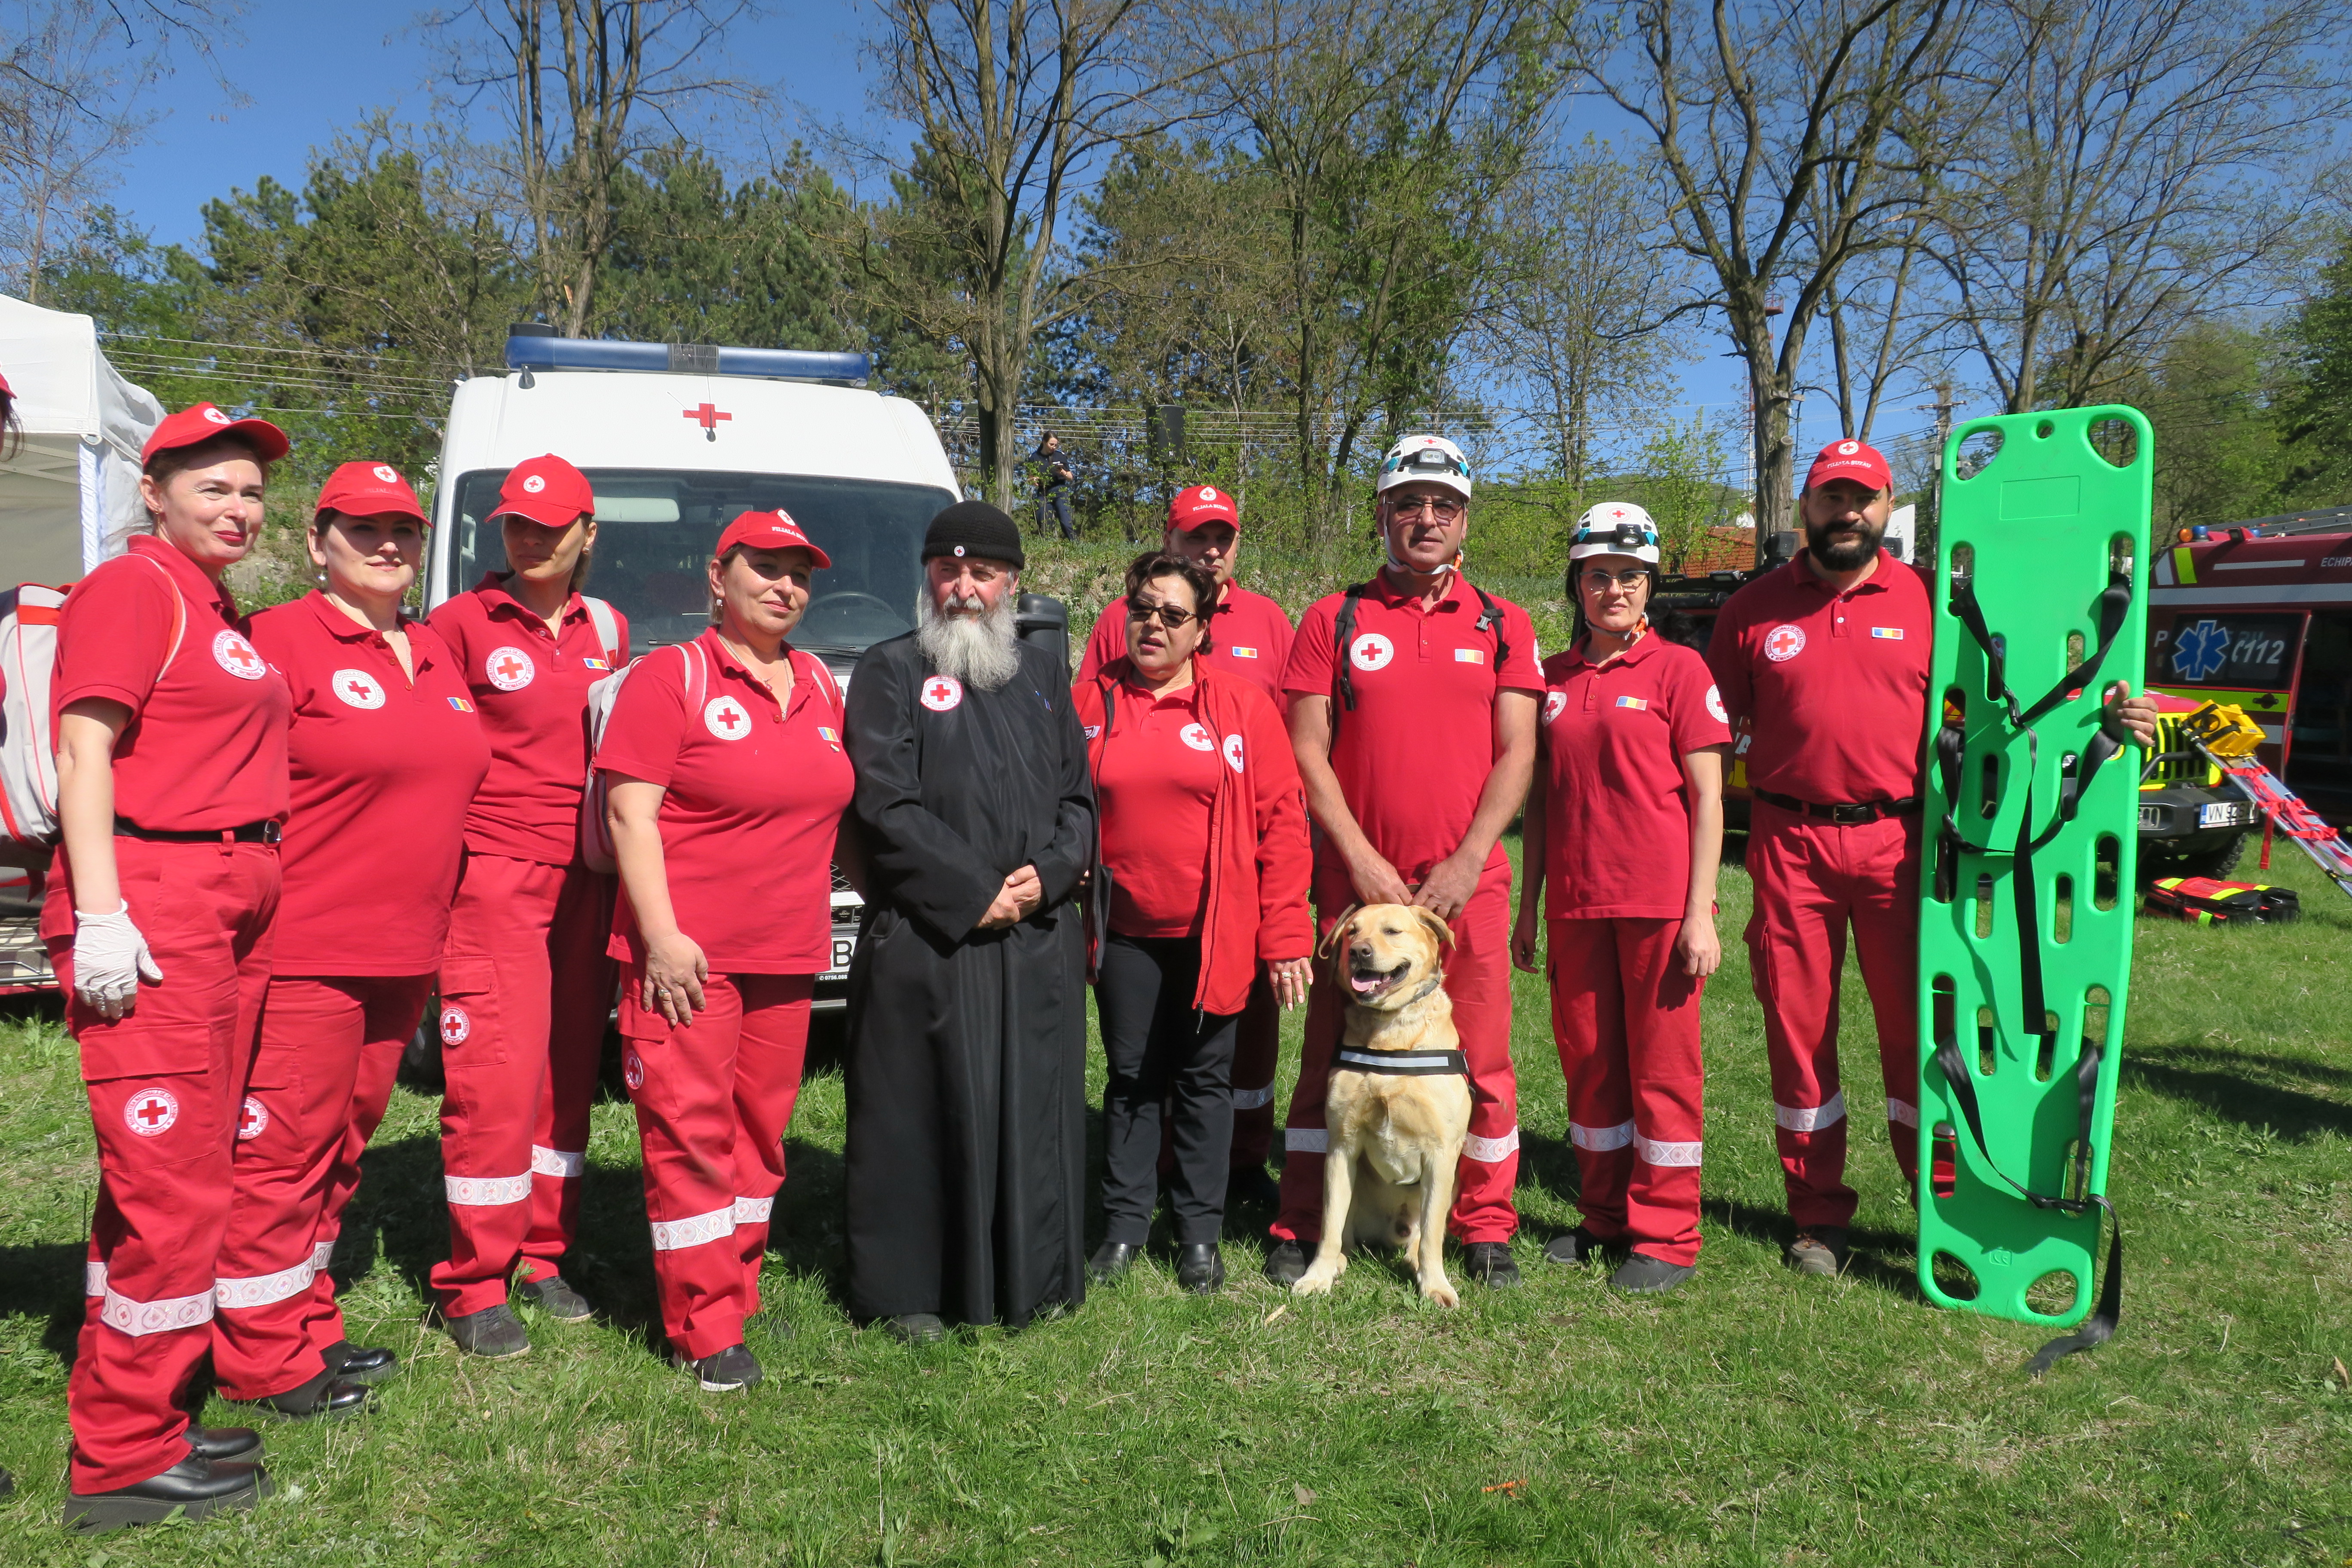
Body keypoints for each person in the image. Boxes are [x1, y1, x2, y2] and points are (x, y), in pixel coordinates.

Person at [1708, 438, 2158, 1276]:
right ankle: (1817, 1216)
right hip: (1787, 839)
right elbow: (1704, 737)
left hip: (1903, 846)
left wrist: (2109, 720)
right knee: (1797, 1036)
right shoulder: (1752, 613)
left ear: (1888, 509)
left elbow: (2016, 717)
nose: (1847, 513)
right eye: (1830, 498)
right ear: (1805, 508)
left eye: (1863, 499)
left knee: (1918, 1035)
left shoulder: (1935, 607)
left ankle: (1941, 1208)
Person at [44, 403, 292, 1531]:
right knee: (171, 1182)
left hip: (220, 898)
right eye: (214, 489)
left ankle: (144, 1405)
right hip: (154, 904)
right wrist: (101, 913)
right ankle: (121, 1459)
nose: (238, 509)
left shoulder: (209, 602)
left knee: (179, 1169)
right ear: (154, 491)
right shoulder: (134, 590)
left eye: (249, 492)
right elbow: (82, 747)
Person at [214, 462, 490, 1416]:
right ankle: (259, 1360)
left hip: (408, 950)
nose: (387, 546)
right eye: (363, 529)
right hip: (306, 950)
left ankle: (306, 1320)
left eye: (404, 532)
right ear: (317, 539)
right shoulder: (274, 640)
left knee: (340, 1153)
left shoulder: (433, 650)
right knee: (282, 1154)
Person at [1265, 434, 1543, 1289]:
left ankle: (1484, 1225)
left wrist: (1468, 860)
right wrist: (1358, 858)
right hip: (1359, 886)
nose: (1427, 519)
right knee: (1328, 1059)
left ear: (1466, 520)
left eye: (1444, 506)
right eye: (1409, 504)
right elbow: (1307, 751)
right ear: (1382, 513)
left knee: (1483, 1059)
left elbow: (1518, 754)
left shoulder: (1504, 622)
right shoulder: (1333, 617)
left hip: (1470, 884)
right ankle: (1306, 1219)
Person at [598, 510, 854, 1392]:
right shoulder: (671, 677)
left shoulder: (820, 682)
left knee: (759, 1136)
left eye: (799, 574)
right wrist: (662, 939)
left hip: (789, 955)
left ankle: (735, 1287)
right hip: (688, 960)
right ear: (719, 577)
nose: (785, 586)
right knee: (690, 1135)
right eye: (766, 569)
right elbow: (630, 812)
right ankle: (703, 1327)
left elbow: (842, 817)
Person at [840, 500, 1095, 1341]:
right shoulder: (889, 672)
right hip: (932, 936)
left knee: (1031, 1112)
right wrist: (973, 889)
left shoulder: (1043, 677)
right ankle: (912, 1289)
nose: (963, 587)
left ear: (1012, 582)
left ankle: (1034, 1272)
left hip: (1034, 937)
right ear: (927, 576)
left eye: (981, 572)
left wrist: (1048, 877)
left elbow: (1078, 802)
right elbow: (886, 804)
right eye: (947, 571)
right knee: (922, 1113)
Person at [426, 453, 628, 1354]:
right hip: (496, 875)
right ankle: (472, 1283)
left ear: (588, 535)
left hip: (588, 875)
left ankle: (544, 1254)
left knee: (566, 1067)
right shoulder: (460, 624)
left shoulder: (611, 629)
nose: (531, 540)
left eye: (551, 527)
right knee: (495, 1079)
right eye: (516, 525)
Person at [1073, 551, 1313, 1293]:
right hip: (1124, 932)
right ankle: (1121, 1225)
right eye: (1143, 609)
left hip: (1216, 931)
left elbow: (1283, 823)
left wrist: (1284, 936)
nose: (1154, 625)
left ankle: (1199, 1234)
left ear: (1201, 628)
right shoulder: (1088, 701)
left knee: (1207, 1081)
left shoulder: (1240, 707)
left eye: (1174, 615)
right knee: (1131, 1077)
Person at [1510, 505, 1730, 1295]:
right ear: (1576, 582)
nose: (1614, 589)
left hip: (1658, 906)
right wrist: (1528, 904)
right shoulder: (1553, 679)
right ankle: (1601, 1215)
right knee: (1592, 1069)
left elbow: (1709, 799)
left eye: (1630, 577)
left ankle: (1666, 1232)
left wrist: (1699, 910)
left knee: (1663, 1073)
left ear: (1650, 585)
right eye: (1598, 575)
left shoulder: (1681, 671)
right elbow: (1538, 801)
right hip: (1575, 902)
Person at [1033, 432, 1077, 540]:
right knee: (1044, 524)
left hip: (1060, 491)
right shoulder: (1034, 457)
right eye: (1051, 444)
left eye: (1056, 445)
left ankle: (1076, 547)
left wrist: (1063, 472)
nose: (1054, 447)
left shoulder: (1060, 455)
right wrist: (1033, 480)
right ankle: (1047, 549)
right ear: (1044, 442)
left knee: (1067, 523)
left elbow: (1071, 477)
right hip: (1043, 493)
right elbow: (1030, 477)